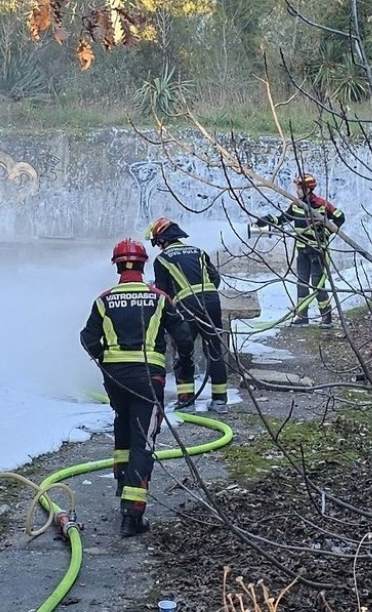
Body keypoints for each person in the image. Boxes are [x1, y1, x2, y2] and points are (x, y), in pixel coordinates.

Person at [80, 238, 178, 537]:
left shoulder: (104, 300)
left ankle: (124, 488)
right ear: (143, 263)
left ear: (117, 266)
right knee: (143, 441)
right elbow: (183, 336)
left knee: (123, 428)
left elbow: (87, 338)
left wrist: (104, 360)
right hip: (148, 379)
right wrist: (182, 361)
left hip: (115, 379)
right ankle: (132, 516)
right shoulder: (159, 298)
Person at [147, 217, 229, 414]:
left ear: (162, 239)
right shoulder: (199, 252)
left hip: (187, 307)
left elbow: (163, 293)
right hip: (212, 302)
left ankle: (186, 402)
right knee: (215, 350)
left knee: (184, 352)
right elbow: (215, 278)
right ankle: (220, 401)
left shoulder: (163, 259)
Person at [255, 172, 346, 327]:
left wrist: (325, 233)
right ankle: (302, 316)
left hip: (317, 251)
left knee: (317, 284)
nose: (296, 190)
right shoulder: (296, 205)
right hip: (302, 251)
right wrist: (269, 220)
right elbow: (283, 219)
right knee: (302, 283)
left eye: (298, 187)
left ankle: (326, 317)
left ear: (307, 189)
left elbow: (340, 217)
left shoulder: (322, 205)